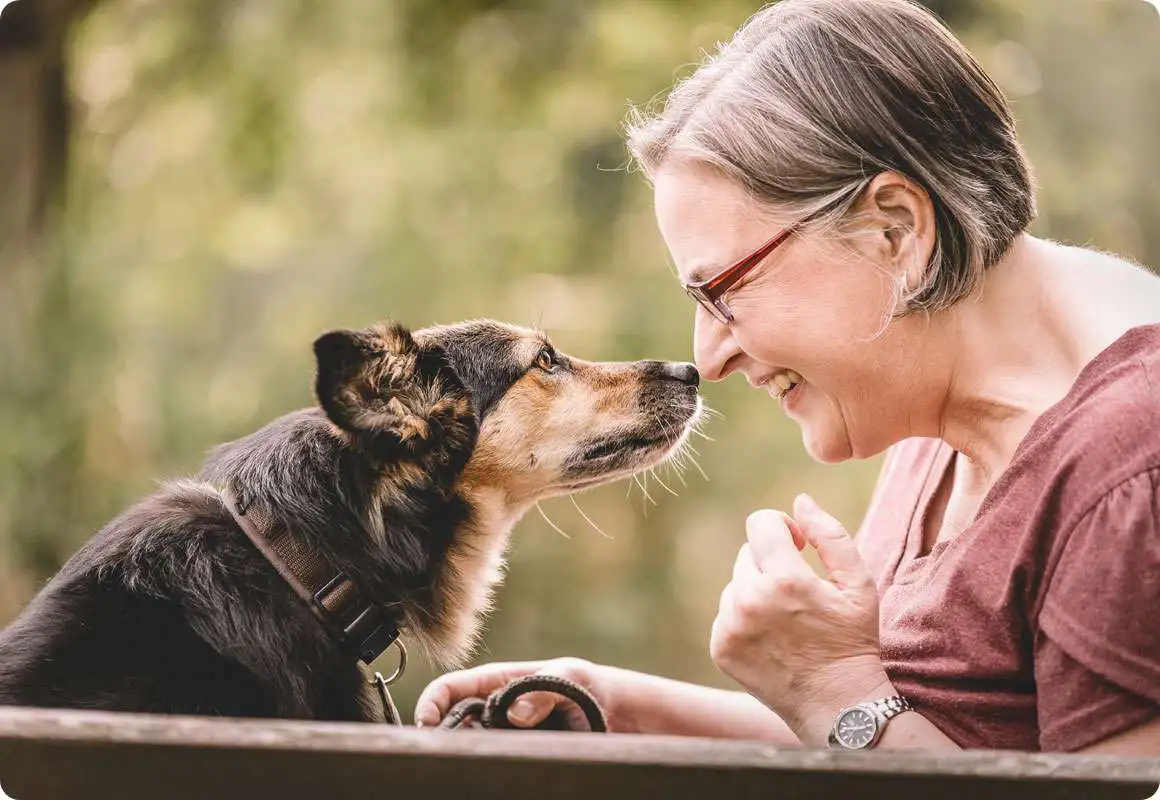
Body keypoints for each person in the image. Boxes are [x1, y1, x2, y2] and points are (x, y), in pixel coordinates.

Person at [415, 0, 1160, 754]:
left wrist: (833, 687)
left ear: (892, 230)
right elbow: (911, 731)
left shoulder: (1131, 471)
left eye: (723, 292)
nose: (708, 357)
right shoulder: (931, 395)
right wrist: (619, 703)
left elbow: (860, 715)